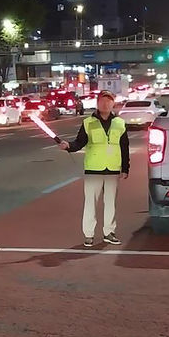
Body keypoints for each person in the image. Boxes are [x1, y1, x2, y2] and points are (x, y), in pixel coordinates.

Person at [59, 90, 129, 247]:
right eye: (103, 101)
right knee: (90, 202)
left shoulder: (120, 123)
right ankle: (89, 234)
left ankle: (109, 232)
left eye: (109, 101)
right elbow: (80, 142)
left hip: (112, 169)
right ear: (98, 103)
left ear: (113, 103)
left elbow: (124, 147)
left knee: (111, 202)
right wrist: (69, 146)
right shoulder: (88, 122)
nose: (106, 103)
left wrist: (125, 168)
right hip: (93, 169)